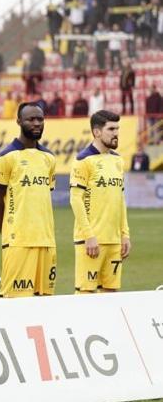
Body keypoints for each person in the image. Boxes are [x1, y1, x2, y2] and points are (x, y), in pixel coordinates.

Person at [0, 103, 57, 297]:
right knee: (14, 301)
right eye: (31, 119)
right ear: (19, 121)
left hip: (47, 241)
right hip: (18, 241)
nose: (36, 123)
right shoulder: (6, 156)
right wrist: (8, 231)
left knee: (45, 299)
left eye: (40, 119)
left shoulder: (49, 157)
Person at [70, 110, 131, 293]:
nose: (116, 133)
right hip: (91, 242)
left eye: (117, 129)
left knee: (111, 295)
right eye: (111, 129)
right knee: (86, 294)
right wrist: (89, 236)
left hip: (114, 241)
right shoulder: (83, 160)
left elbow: (120, 199)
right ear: (96, 132)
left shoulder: (117, 161)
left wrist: (125, 234)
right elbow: (76, 200)